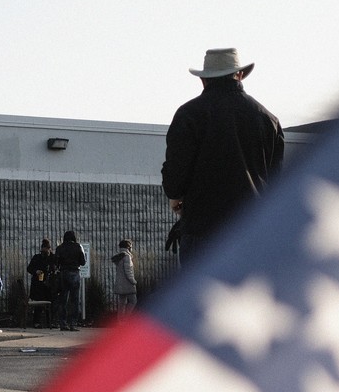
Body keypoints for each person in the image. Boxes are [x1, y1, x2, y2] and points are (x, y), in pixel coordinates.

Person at [161, 48, 284, 262]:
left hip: (202, 232)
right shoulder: (267, 119)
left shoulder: (188, 115)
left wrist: (175, 197)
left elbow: (175, 176)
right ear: (239, 75)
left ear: (204, 80)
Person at [55, 230, 86, 331]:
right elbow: (83, 262)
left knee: (63, 299)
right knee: (75, 300)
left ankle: (63, 323)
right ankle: (73, 323)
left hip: (63, 273)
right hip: (74, 273)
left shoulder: (60, 248)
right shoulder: (78, 246)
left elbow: (56, 262)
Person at [25, 238, 57, 328]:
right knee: (38, 304)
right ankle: (37, 322)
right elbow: (29, 268)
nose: (44, 252)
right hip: (38, 284)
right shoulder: (37, 257)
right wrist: (36, 271)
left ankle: (50, 322)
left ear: (49, 249)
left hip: (49, 283)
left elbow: (56, 268)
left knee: (51, 303)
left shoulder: (53, 258)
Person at [111, 239, 138, 318]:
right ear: (128, 247)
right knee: (133, 301)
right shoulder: (127, 257)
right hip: (128, 284)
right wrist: (133, 281)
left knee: (122, 303)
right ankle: (126, 318)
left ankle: (120, 320)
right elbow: (128, 271)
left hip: (120, 283)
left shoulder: (119, 256)